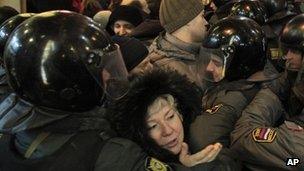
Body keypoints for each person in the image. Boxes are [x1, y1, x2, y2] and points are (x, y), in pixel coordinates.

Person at [0, 10, 177, 171]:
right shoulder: (112, 154)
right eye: (101, 70)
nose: (109, 75)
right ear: (72, 86)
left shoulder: (8, 137)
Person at [110, 68, 240, 170]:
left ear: (180, 114)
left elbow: (233, 160)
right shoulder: (137, 162)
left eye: (170, 117)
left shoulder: (200, 133)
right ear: (139, 133)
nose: (167, 130)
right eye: (153, 126)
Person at [188, 16, 279, 151]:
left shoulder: (232, 101)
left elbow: (200, 141)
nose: (209, 67)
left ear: (241, 63)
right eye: (209, 60)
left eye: (217, 62)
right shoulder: (266, 75)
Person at [230, 13, 304, 170]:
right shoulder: (292, 77)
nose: (287, 57)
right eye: (287, 50)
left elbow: (242, 139)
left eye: (295, 51)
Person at [133, 0, 209, 88]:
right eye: (202, 16)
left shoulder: (197, 50)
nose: (206, 22)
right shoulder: (166, 71)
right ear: (187, 21)